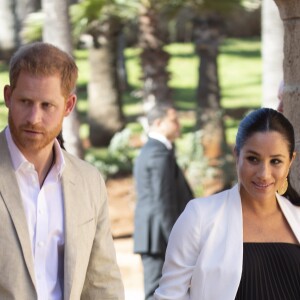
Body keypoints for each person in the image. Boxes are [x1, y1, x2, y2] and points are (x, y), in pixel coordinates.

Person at [0, 42, 124, 299]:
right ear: (8, 96)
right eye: (25, 101)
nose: (34, 117)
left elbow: (102, 283)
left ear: (68, 106)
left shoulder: (89, 182)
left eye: (47, 106)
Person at [154, 107, 300, 300]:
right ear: (236, 155)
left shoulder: (297, 217)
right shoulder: (199, 217)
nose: (264, 174)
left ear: (291, 161)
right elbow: (169, 296)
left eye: (275, 161)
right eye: (253, 159)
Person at [133, 104, 194, 300]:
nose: (179, 125)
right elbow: (163, 202)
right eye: (174, 120)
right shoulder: (158, 153)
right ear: (158, 123)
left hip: (156, 235)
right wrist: (175, 241)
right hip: (158, 237)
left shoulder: (156, 150)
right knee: (156, 293)